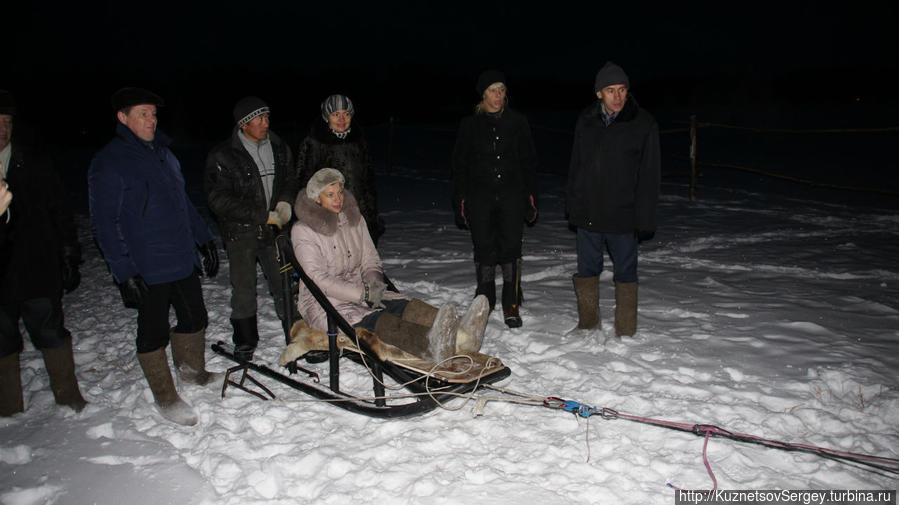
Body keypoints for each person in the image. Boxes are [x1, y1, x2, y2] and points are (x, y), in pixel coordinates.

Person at [89, 87, 220, 426]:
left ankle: (192, 372)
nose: (151, 119)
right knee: (153, 331)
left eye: (153, 113)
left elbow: (182, 202)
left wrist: (203, 239)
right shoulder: (109, 161)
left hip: (181, 256)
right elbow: (105, 223)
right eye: (142, 113)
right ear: (122, 118)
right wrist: (124, 271)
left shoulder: (165, 154)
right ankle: (165, 395)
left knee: (195, 317)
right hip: (146, 265)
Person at [291, 168, 489, 363]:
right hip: (324, 302)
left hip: (361, 290)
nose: (338, 199)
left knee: (399, 305)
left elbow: (370, 259)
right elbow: (318, 279)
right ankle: (431, 345)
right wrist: (362, 294)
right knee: (375, 322)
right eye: (330, 195)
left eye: (340, 192)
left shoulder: (353, 220)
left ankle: (463, 333)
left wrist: (373, 285)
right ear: (317, 198)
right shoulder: (303, 231)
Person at [0, 90, 87, 416]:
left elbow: (59, 209)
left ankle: (69, 397)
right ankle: (8, 408)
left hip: (35, 265)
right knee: (2, 337)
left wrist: (68, 253)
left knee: (50, 329)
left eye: (7, 122)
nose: (3, 129)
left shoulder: (33, 162)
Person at [566, 61, 660, 338]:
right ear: (599, 94)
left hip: (624, 214)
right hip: (589, 212)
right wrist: (572, 203)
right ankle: (587, 324)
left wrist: (645, 218)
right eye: (610, 90)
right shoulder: (586, 120)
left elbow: (650, 176)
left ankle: (626, 331)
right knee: (587, 269)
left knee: (626, 273)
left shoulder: (643, 124)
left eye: (622, 90)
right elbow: (576, 166)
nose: (618, 97)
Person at [205, 96, 297, 361]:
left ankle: (297, 333)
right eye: (259, 119)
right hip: (241, 233)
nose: (265, 123)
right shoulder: (223, 155)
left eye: (267, 117)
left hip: (274, 232)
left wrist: (284, 205)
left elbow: (290, 179)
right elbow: (218, 198)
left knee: (284, 285)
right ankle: (245, 340)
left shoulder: (278, 148)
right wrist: (260, 215)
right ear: (244, 125)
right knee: (244, 288)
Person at [452, 70, 539, 328]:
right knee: (485, 247)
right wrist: (461, 200)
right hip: (480, 197)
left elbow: (529, 162)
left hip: (512, 195)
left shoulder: (518, 122)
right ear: (483, 94)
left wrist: (531, 197)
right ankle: (485, 299)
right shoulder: (470, 125)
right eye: (493, 90)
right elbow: (460, 165)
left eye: (501, 90)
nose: (498, 95)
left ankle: (511, 302)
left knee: (512, 247)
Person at [295, 94, 384, 245]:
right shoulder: (314, 144)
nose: (342, 119)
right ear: (326, 117)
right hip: (328, 216)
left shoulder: (359, 142)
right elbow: (304, 184)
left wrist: (371, 215)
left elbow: (368, 182)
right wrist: (315, 217)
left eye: (346, 114)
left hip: (358, 215)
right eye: (336, 114)